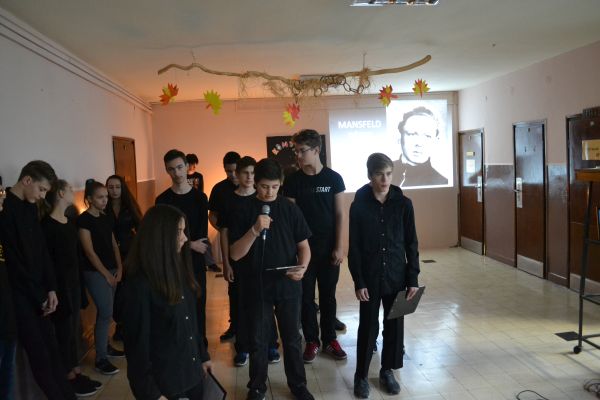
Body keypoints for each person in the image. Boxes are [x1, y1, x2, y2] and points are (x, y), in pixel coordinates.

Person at [228, 158, 314, 400]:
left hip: (287, 284)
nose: (269, 192)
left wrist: (303, 268)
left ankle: (298, 385)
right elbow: (235, 253)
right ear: (255, 183)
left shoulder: (289, 208)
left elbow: (304, 247)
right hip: (255, 285)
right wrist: (255, 230)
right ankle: (256, 387)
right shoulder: (243, 209)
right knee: (258, 339)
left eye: (275, 187)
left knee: (292, 338)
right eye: (265, 186)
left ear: (281, 184)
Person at [0, 161, 77, 400]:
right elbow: (14, 263)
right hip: (20, 297)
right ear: (27, 180)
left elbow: (42, 252)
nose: (43, 196)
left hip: (41, 293)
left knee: (52, 351)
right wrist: (39, 296)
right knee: (40, 357)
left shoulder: (31, 207)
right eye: (41, 189)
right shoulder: (5, 211)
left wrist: (51, 289)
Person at [349, 153, 420, 398]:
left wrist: (412, 279)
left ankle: (387, 371)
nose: (385, 179)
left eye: (388, 174)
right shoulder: (359, 206)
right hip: (370, 277)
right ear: (370, 176)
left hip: (397, 275)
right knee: (368, 327)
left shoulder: (404, 204)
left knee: (395, 326)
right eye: (379, 174)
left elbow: (411, 243)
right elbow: (355, 247)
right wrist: (359, 281)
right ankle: (360, 375)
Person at [121, 205, 212, 400]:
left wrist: (202, 356)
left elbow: (191, 321)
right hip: (166, 385)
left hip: (192, 373)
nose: (185, 238)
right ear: (160, 236)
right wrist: (152, 394)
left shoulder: (178, 269)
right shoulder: (139, 285)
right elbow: (137, 349)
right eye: (179, 232)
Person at [282, 129, 347, 363]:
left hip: (329, 249)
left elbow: (339, 214)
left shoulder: (334, 178)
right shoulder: (293, 181)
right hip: (303, 251)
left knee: (328, 295)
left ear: (316, 150)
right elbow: (290, 219)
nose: (298, 155)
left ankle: (329, 338)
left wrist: (339, 246)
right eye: (296, 151)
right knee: (306, 298)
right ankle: (312, 340)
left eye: (302, 151)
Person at [42, 180, 101, 396]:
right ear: (60, 193)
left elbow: (75, 258)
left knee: (74, 331)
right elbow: (47, 263)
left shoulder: (68, 222)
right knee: (63, 333)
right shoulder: (47, 226)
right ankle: (68, 377)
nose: (72, 193)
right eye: (69, 190)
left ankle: (76, 371)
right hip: (59, 289)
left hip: (73, 285)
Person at [219, 156, 280, 367]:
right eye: (245, 172)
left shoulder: (263, 199)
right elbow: (224, 233)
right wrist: (226, 263)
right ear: (238, 174)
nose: (249, 177)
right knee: (241, 305)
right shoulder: (229, 200)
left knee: (266, 304)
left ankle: (271, 344)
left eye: (253, 173)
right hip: (239, 260)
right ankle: (242, 347)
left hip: (263, 261)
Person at [156, 149, 210, 347]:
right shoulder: (162, 200)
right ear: (166, 171)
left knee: (198, 302)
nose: (176, 173)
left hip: (195, 262)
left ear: (187, 167)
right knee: (175, 304)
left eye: (179, 167)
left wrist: (191, 245)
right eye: (171, 169)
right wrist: (190, 244)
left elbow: (201, 238)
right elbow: (163, 235)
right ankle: (180, 345)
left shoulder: (200, 198)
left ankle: (200, 345)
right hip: (172, 261)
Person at [78, 180, 125, 375]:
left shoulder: (105, 217)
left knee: (108, 312)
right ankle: (100, 359)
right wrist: (106, 274)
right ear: (89, 199)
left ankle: (105, 346)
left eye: (106, 197)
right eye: (100, 197)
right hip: (95, 272)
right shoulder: (83, 220)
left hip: (112, 269)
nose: (105, 200)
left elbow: (114, 244)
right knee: (105, 312)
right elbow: (89, 252)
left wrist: (120, 267)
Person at [105, 175, 142, 340]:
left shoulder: (129, 206)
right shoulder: (103, 206)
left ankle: (130, 325)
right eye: (110, 187)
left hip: (129, 253)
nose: (114, 191)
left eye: (117, 187)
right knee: (116, 292)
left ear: (122, 189)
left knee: (130, 289)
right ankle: (119, 325)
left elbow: (141, 228)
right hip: (110, 254)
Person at [209, 150, 240, 333]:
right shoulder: (219, 189)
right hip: (230, 244)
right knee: (233, 288)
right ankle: (234, 326)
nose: (233, 175)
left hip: (250, 244)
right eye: (228, 171)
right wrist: (222, 230)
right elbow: (212, 215)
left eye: (235, 170)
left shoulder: (251, 185)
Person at [392, 106, 448, 187]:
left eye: (427, 136)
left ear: (436, 141)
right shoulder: (383, 172)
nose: (419, 143)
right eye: (412, 134)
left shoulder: (441, 182)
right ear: (399, 137)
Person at [0, 176, 17, 400]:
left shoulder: (3, 223)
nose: (2, 196)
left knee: (7, 372)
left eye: (2, 191)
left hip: (7, 311)